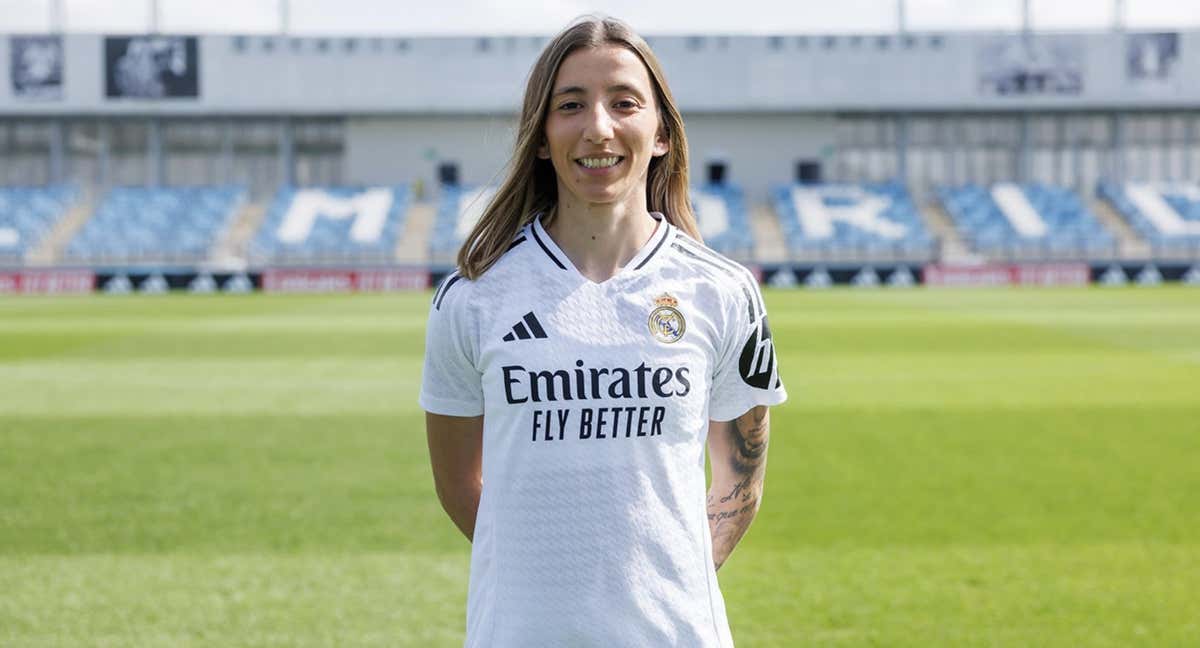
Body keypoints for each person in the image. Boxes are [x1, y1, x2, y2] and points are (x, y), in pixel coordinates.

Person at [420, 16, 786, 647]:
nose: (598, 127)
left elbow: (740, 479)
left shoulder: (725, 292)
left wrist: (660, 580)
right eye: (570, 105)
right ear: (540, 137)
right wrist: (548, 586)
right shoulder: (473, 296)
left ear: (662, 133)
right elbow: (458, 485)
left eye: (624, 103)